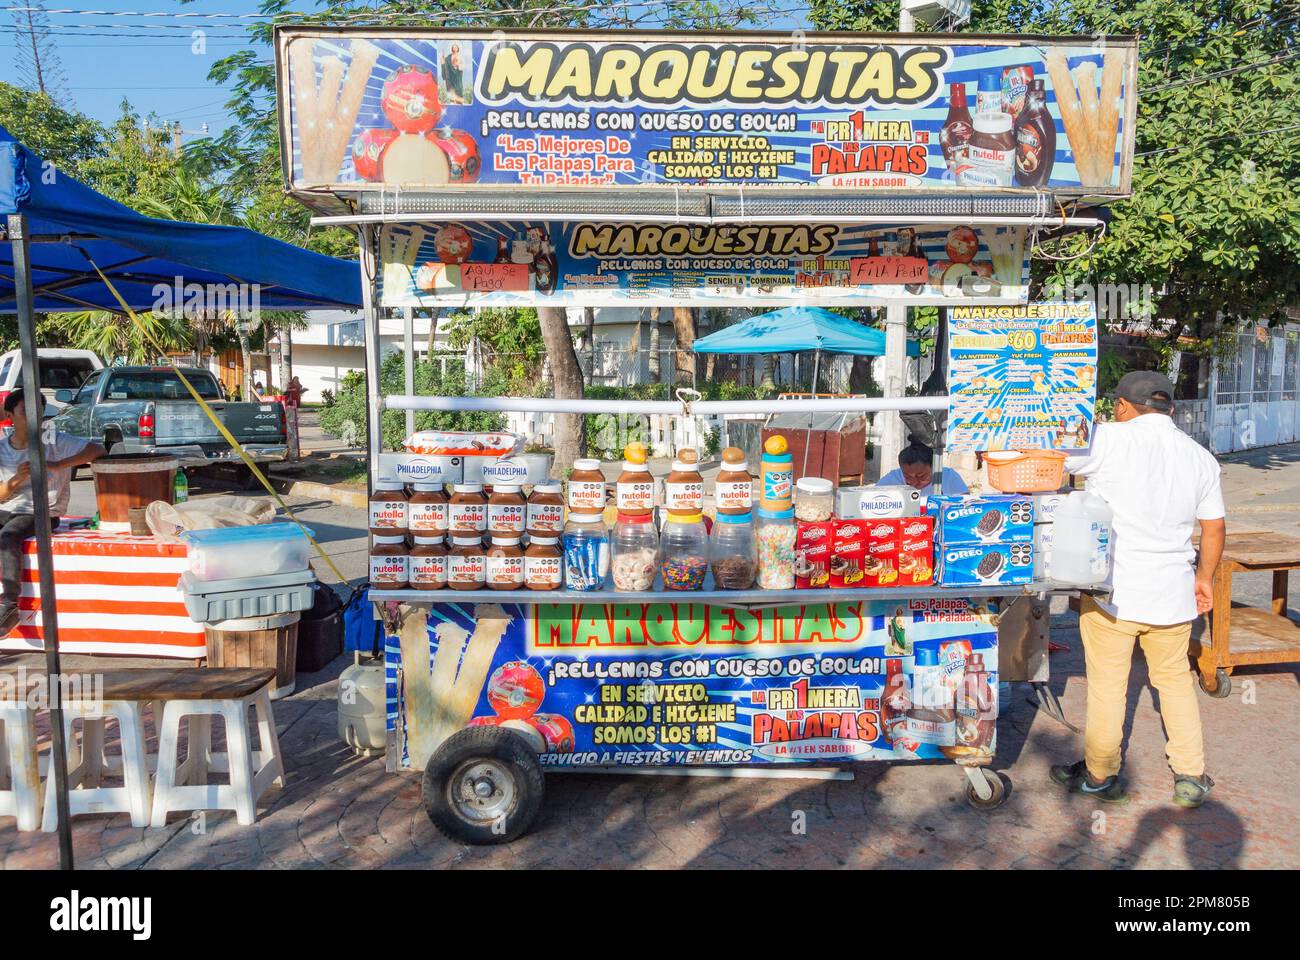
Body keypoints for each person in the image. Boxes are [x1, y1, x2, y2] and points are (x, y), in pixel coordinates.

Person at [1052, 371, 1224, 808]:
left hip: (1116, 591)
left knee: (1109, 686)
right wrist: (1203, 579)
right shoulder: (1200, 456)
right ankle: (1190, 775)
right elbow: (1214, 527)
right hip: (1173, 593)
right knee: (1174, 683)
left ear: (1125, 407)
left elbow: (1052, 454)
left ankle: (1100, 775)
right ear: (1168, 409)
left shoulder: (1108, 439)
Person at [0, 390, 107, 635]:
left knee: (8, 536)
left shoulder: (55, 441)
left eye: (39, 411)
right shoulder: (2, 449)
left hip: (42, 512)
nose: (35, 416)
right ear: (9, 416)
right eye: (26, 411)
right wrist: (17, 479)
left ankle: (8, 605)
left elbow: (98, 450)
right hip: (7, 508)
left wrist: (58, 464)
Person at [877, 435, 969, 494]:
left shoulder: (949, 477)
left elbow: (966, 504)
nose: (915, 482)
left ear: (934, 467)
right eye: (908, 477)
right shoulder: (892, 480)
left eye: (922, 476)